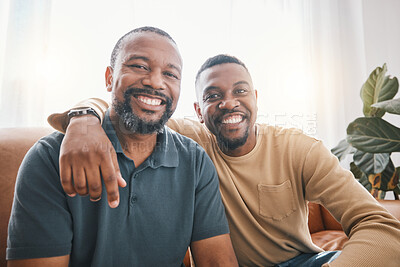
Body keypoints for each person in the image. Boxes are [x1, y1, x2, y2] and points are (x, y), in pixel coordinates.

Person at [47, 54, 400, 266]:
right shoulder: (192, 141)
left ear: (256, 99)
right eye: (214, 96)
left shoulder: (301, 150)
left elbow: (380, 225)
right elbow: (133, 105)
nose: (229, 103)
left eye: (240, 91)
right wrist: (82, 117)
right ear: (199, 111)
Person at [6, 27, 239, 267]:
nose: (156, 82)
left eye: (171, 74)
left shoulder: (196, 162)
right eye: (139, 66)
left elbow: (216, 261)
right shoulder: (49, 158)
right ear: (109, 78)